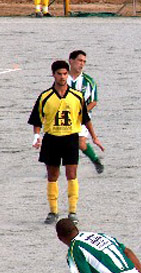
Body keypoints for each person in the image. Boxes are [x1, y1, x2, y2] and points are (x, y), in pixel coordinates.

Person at [28, 60, 104, 225]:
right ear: (53, 75)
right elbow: (37, 120)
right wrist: (36, 136)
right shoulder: (45, 97)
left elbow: (85, 118)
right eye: (59, 74)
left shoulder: (77, 97)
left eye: (64, 74)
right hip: (52, 139)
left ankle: (72, 211)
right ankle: (53, 211)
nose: (62, 77)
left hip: (70, 138)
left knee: (71, 174)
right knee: (52, 176)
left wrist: (94, 137)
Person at [68, 50, 104, 174]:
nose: (82, 64)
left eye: (84, 62)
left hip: (82, 118)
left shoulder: (89, 82)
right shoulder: (62, 77)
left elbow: (94, 101)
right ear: (71, 61)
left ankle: (96, 161)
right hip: (64, 117)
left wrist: (81, 113)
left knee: (80, 143)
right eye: (79, 60)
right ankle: (53, 168)